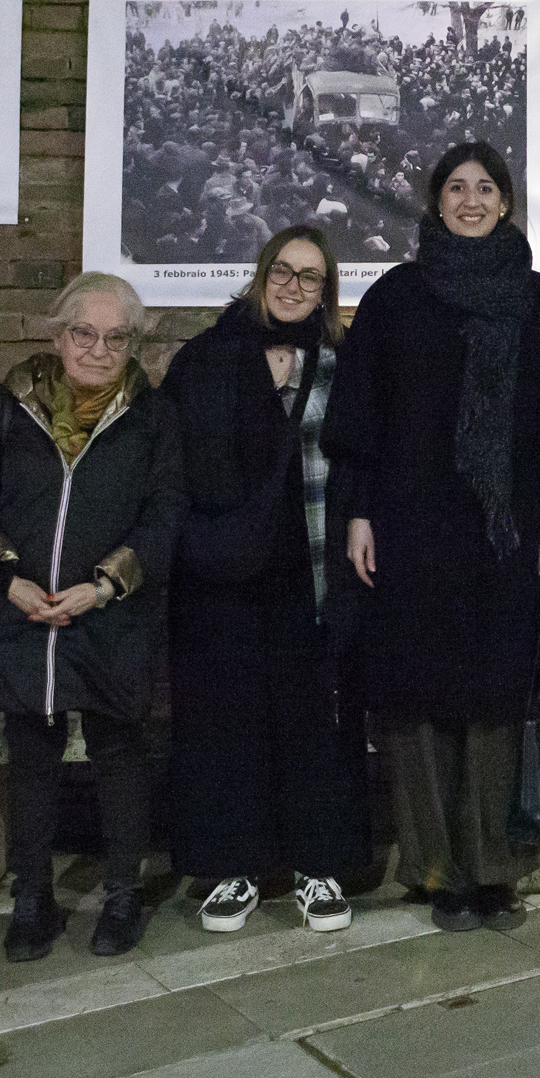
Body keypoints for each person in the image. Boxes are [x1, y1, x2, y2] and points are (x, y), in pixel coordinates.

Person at [324, 142, 540, 933]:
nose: (470, 199)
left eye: (485, 188)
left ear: (505, 202)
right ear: (434, 202)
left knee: (496, 703)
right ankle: (437, 870)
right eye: (456, 187)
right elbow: (363, 415)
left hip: (505, 535)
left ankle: (497, 870)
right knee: (418, 703)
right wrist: (361, 513)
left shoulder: (535, 299)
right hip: (412, 527)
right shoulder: (396, 297)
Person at [0, 273, 183, 963]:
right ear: (57, 334)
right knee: (32, 753)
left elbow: (165, 518)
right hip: (23, 614)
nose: (98, 349)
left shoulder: (153, 416)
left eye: (116, 337)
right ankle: (32, 896)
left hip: (109, 613)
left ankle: (122, 893)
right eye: (84, 332)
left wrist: (105, 585)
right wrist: (6, 579)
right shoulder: (11, 407)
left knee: (120, 752)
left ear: (134, 343)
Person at [164, 225, 368, 937]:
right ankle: (234, 867)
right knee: (229, 721)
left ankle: (318, 866)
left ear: (327, 290)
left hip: (313, 567)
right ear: (259, 274)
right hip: (225, 573)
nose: (294, 285)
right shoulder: (207, 357)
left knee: (316, 722)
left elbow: (362, 463)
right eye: (283, 270)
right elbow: (173, 464)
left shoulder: (342, 363)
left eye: (311, 277)